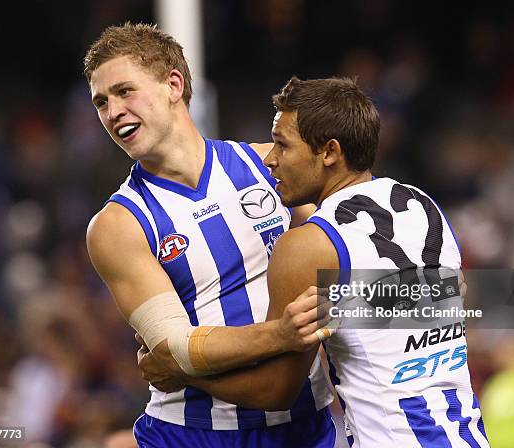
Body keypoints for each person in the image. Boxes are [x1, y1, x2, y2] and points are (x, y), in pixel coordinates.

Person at [138, 76, 489, 448]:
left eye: (282, 145)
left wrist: (182, 373)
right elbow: (447, 296)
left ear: (329, 152)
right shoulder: (422, 205)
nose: (270, 160)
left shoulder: (307, 245)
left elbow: (275, 392)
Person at [83, 23, 335, 448]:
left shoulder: (269, 167)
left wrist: (432, 298)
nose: (112, 112)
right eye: (101, 102)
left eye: (125, 91)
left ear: (173, 85)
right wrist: (280, 334)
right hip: (195, 435)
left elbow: (345, 275)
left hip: (307, 428)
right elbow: (171, 348)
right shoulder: (116, 224)